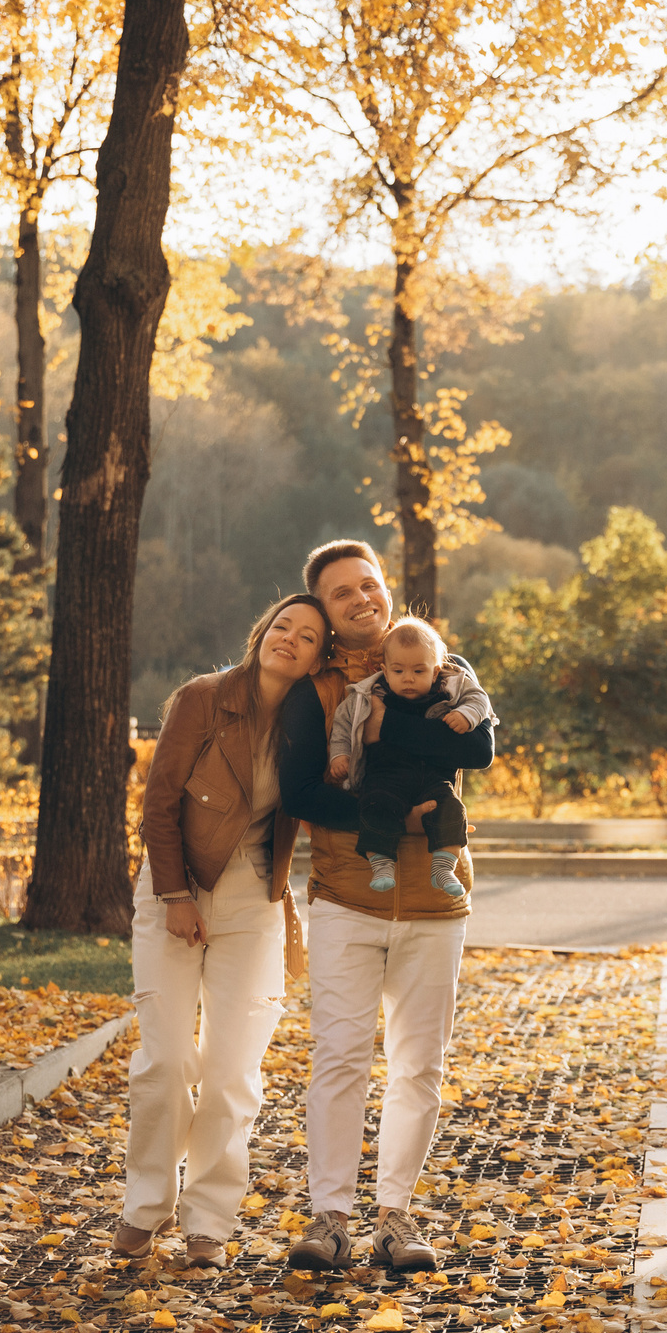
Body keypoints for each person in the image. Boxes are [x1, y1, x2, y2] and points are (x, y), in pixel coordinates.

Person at [277, 541, 494, 1271]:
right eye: (342, 593)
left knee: (418, 1064)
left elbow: (479, 751)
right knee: (339, 1056)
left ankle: (395, 1217)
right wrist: (383, 813)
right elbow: (302, 791)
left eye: (369, 583)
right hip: (346, 895)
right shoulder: (319, 692)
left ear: (388, 591)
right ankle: (329, 1217)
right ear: (328, 614)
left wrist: (398, 734)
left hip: (436, 899)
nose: (362, 597)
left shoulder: (444, 670)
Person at [113, 593, 329, 1269]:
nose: (288, 639)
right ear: (260, 631)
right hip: (176, 893)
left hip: (253, 905)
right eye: (281, 626)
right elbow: (158, 803)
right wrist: (176, 894)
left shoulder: (309, 725)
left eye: (307, 636)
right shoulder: (203, 698)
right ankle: (146, 1205)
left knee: (232, 1069)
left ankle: (208, 1220)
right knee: (170, 1061)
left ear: (320, 658)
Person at [325, 615, 494, 897]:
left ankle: (444, 867)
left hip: (434, 777)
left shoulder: (451, 686)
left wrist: (466, 714)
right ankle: (381, 863)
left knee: (452, 810)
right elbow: (344, 723)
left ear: (436, 670)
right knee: (375, 804)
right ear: (385, 670)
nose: (408, 679)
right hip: (385, 775)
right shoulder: (366, 695)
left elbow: (480, 700)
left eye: (418, 671)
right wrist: (339, 755)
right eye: (399, 671)